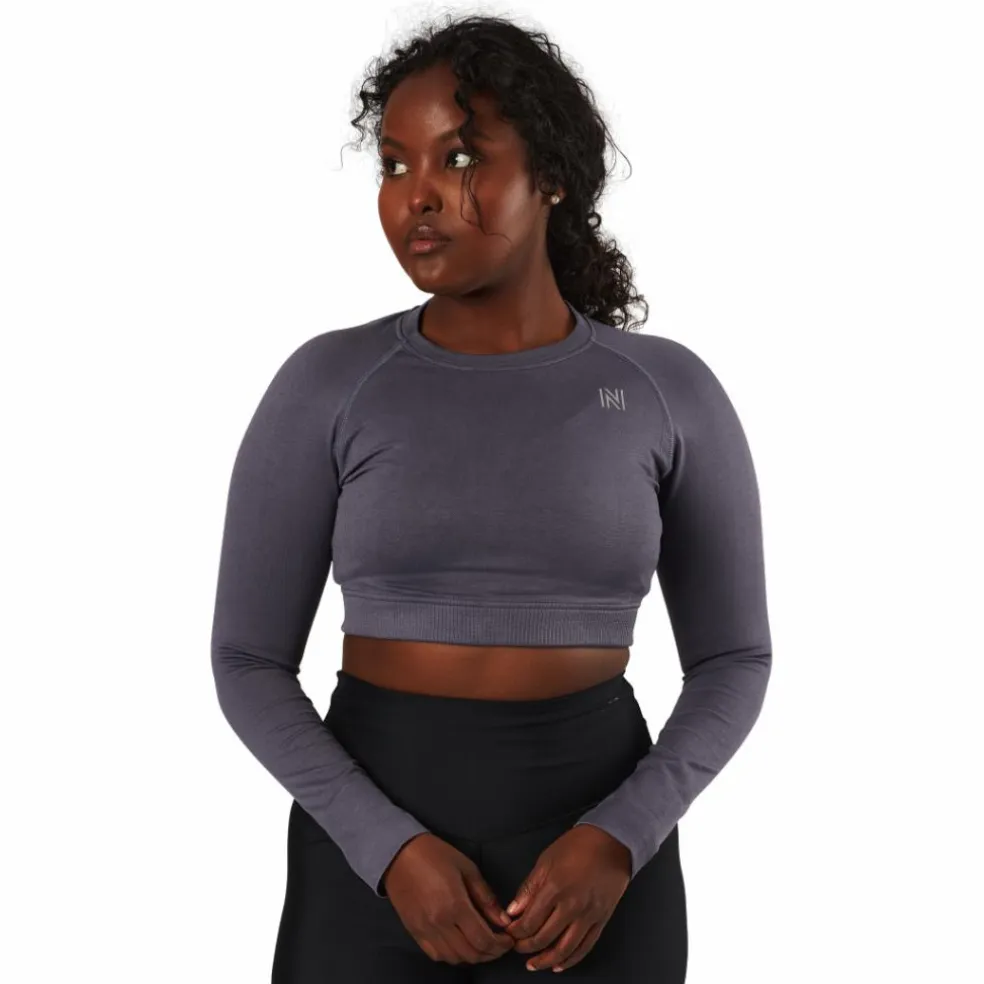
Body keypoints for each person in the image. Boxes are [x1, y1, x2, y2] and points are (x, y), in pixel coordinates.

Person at [209, 13, 772, 983]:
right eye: (394, 164)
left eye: (460, 157)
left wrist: (621, 839)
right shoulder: (330, 383)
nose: (417, 195)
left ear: (550, 175)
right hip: (367, 860)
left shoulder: (664, 391)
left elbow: (734, 658)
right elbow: (247, 659)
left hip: (598, 870)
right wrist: (388, 850)